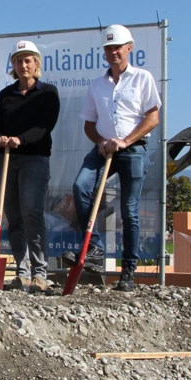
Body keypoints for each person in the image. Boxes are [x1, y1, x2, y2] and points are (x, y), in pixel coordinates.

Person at [72, 24, 161, 291]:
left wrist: (125, 141)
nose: (113, 52)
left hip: (133, 149)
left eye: (117, 47)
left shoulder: (143, 78)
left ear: (129, 48)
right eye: (108, 48)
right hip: (103, 150)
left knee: (129, 210)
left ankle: (128, 271)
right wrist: (101, 143)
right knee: (81, 187)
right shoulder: (97, 85)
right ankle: (95, 248)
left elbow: (153, 117)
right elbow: (89, 124)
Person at [0, 39, 60, 294]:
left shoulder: (48, 93)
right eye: (18, 61)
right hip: (4, 158)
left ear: (36, 64)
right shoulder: (5, 95)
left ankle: (40, 273)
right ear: (13, 66)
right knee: (13, 217)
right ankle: (21, 271)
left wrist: (21, 139)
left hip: (34, 159)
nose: (23, 65)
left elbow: (45, 126)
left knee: (32, 214)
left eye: (27, 60)